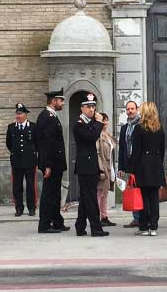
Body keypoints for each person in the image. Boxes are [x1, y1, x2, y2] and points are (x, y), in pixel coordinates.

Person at [72, 93, 109, 237]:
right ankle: (96, 228)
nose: (91, 109)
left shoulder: (90, 123)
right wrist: (99, 122)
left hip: (91, 165)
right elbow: (91, 136)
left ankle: (80, 226)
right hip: (85, 166)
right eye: (88, 107)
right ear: (82, 108)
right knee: (91, 198)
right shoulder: (79, 124)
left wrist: (97, 122)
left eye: (93, 106)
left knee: (86, 197)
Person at [35, 88, 70, 233]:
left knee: (55, 193)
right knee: (49, 194)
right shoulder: (48, 117)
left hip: (55, 163)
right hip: (52, 164)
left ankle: (57, 221)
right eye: (61, 100)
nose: (62, 103)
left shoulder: (50, 116)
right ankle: (44, 224)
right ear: (54, 101)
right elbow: (46, 144)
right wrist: (47, 165)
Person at [128, 101, 165, 236]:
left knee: (143, 197)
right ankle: (154, 226)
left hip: (142, 166)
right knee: (154, 198)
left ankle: (143, 226)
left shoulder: (139, 128)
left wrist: (131, 169)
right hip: (156, 165)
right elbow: (162, 150)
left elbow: (136, 151)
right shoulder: (159, 128)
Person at [6, 103, 38, 217]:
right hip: (16, 161)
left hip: (30, 161)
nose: (18, 116)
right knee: (17, 186)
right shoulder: (11, 127)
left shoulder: (33, 127)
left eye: (20, 114)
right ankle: (19, 208)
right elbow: (8, 144)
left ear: (25, 115)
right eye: (17, 113)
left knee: (30, 186)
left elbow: (37, 143)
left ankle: (32, 208)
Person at [118, 100, 141, 228]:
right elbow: (122, 148)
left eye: (132, 108)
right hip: (128, 164)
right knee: (132, 191)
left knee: (141, 191)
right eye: (128, 109)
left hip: (139, 165)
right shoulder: (124, 128)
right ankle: (136, 218)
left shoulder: (141, 125)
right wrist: (121, 166)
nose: (130, 111)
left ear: (137, 109)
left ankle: (144, 217)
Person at [96, 111, 116, 227]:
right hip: (103, 167)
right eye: (103, 120)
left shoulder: (107, 134)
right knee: (99, 193)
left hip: (110, 167)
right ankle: (96, 217)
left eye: (107, 119)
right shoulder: (98, 135)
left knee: (105, 194)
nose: (106, 122)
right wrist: (101, 169)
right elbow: (98, 153)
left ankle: (104, 216)